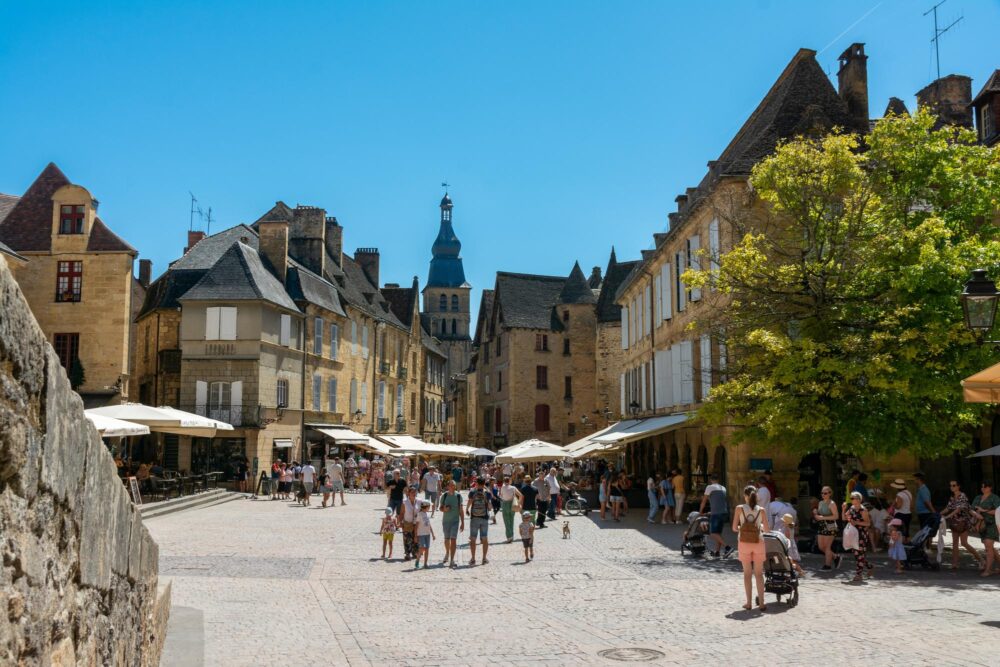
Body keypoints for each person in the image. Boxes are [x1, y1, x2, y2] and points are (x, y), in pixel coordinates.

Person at [732, 484, 769, 611]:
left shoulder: (739, 508)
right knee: (759, 574)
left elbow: (733, 528)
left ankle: (749, 603)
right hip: (758, 542)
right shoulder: (762, 510)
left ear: (745, 496)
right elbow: (767, 529)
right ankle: (762, 603)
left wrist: (742, 529)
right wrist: (760, 528)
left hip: (744, 543)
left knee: (747, 574)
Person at [940, 480, 983, 571]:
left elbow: (959, 509)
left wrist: (948, 516)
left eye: (954, 485)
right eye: (950, 485)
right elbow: (948, 508)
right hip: (954, 522)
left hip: (963, 523)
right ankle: (954, 564)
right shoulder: (952, 497)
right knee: (955, 543)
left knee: (964, 543)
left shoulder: (963, 496)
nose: (952, 487)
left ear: (958, 486)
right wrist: (938, 514)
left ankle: (981, 559)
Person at [700, 474, 733, 558]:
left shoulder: (709, 487)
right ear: (718, 480)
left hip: (716, 513)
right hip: (724, 512)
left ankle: (727, 547)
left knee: (712, 533)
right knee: (718, 533)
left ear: (711, 480)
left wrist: (700, 511)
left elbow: (704, 501)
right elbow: (720, 501)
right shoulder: (723, 488)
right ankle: (717, 552)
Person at [971, 480, 1000, 577]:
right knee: (989, 547)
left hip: (992, 524)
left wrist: (984, 511)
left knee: (988, 547)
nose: (982, 488)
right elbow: (971, 509)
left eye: (985, 487)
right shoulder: (978, 497)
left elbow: (998, 511)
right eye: (982, 487)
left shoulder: (995, 498)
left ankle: (988, 570)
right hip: (981, 525)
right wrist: (976, 514)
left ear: (990, 487)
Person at [845, 491, 873, 582]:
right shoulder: (852, 508)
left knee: (860, 554)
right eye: (851, 498)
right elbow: (845, 517)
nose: (851, 500)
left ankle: (858, 574)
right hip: (853, 534)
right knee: (857, 555)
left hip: (861, 534)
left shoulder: (863, 510)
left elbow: (868, 523)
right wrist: (843, 510)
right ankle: (870, 566)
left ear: (858, 499)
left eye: (852, 498)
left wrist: (856, 522)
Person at [812, 486, 842, 570]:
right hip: (821, 526)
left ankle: (827, 565)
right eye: (822, 493)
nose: (823, 495)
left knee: (827, 547)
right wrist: (815, 513)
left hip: (830, 526)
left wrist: (822, 518)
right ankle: (836, 557)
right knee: (821, 547)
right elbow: (820, 514)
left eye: (825, 493)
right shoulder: (820, 502)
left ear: (830, 494)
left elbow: (836, 516)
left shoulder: (832, 503)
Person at [438, 479, 464, 568]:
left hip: (455, 521)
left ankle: (452, 560)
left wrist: (463, 522)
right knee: (446, 539)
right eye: (450, 485)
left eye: (453, 485)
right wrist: (444, 509)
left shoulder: (458, 496)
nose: (452, 487)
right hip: (446, 521)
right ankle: (447, 553)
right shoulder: (444, 496)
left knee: (453, 539)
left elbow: (461, 510)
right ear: (448, 486)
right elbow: (440, 508)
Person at [467, 479, 491, 565]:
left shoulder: (472, 491)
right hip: (484, 517)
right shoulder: (487, 493)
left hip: (474, 517)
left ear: (477, 483)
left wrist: (467, 509)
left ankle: (473, 558)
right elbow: (490, 507)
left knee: (473, 538)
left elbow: (470, 501)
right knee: (484, 538)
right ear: (484, 483)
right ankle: (484, 558)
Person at [498, 477, 522, 543]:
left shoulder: (502, 488)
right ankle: (511, 535)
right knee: (511, 520)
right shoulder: (513, 488)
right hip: (512, 504)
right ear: (509, 481)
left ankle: (509, 536)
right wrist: (518, 503)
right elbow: (520, 495)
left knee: (506, 521)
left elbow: (500, 496)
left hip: (505, 504)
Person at [401, 486, 420, 561]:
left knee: (415, 538)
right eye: (412, 492)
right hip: (407, 523)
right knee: (407, 539)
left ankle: (415, 552)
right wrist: (401, 523)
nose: (414, 494)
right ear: (408, 493)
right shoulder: (404, 502)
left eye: (415, 492)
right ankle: (407, 554)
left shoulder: (419, 501)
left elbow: (422, 510)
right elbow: (401, 513)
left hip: (416, 524)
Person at [414, 500, 435, 569]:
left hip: (427, 534)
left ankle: (425, 564)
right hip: (421, 534)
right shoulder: (419, 514)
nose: (429, 508)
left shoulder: (426, 514)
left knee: (427, 549)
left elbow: (429, 525)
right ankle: (417, 560)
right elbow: (416, 525)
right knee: (422, 548)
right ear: (425, 507)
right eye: (429, 507)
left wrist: (432, 534)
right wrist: (415, 536)